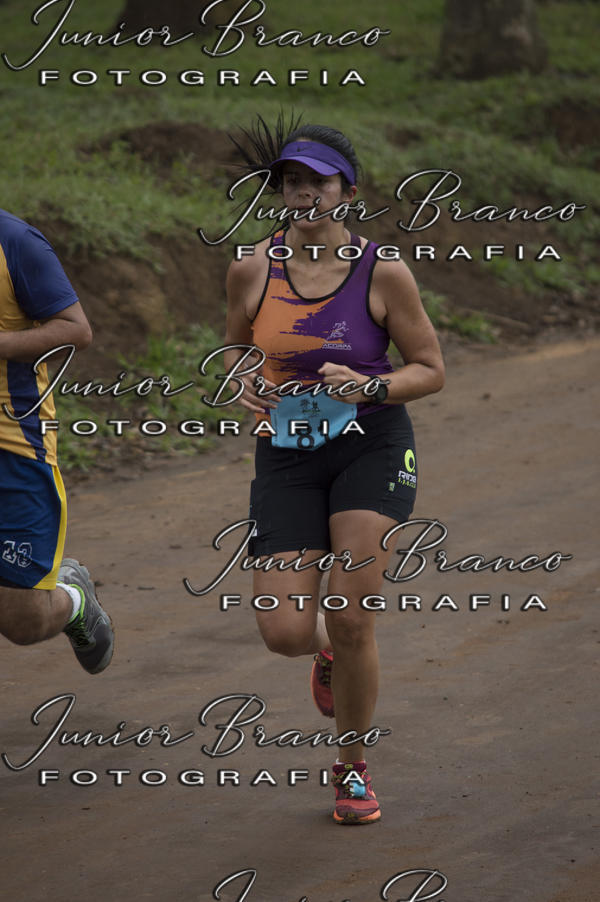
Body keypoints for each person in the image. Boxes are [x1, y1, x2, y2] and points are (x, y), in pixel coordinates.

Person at [224, 119, 445, 823]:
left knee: (351, 615)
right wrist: (243, 380)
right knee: (286, 632)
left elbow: (430, 369)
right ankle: (326, 654)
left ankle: (351, 767)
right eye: (292, 182)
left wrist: (370, 385)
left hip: (370, 444)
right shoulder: (251, 268)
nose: (304, 193)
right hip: (288, 448)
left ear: (348, 192)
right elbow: (234, 349)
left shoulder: (383, 271)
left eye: (318, 182)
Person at [0, 208, 114, 674]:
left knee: (23, 621)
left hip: (12, 445)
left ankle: (73, 600)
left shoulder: (15, 241)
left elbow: (75, 329)